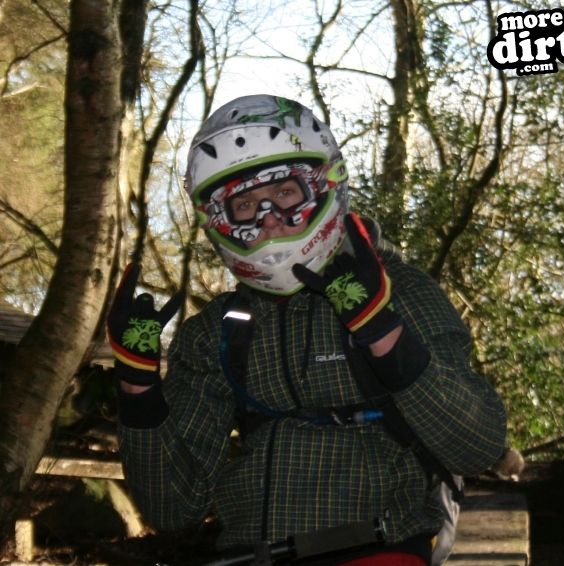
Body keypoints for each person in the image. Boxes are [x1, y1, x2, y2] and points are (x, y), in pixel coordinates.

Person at [108, 95, 507, 566]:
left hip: (378, 549)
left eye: (284, 193)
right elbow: (174, 509)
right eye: (244, 205)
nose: (269, 218)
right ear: (218, 222)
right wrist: (138, 387)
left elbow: (478, 447)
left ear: (323, 186)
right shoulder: (218, 332)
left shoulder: (400, 291)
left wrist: (383, 333)